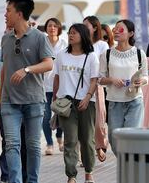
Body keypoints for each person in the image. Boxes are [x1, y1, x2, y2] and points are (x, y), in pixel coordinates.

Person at [1, 0, 53, 183]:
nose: (5, 14)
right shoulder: (5, 38)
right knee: (12, 144)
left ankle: (32, 181)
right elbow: (5, 67)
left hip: (33, 100)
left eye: (8, 10)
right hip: (9, 101)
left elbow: (48, 64)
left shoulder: (39, 37)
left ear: (20, 14)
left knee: (33, 146)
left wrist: (27, 69)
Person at [53, 23, 99, 183]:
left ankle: (88, 171)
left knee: (87, 139)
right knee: (70, 140)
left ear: (83, 36)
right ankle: (71, 175)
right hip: (66, 103)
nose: (70, 35)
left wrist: (87, 97)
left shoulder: (91, 56)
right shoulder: (61, 55)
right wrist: (55, 99)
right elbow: (57, 78)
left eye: (74, 33)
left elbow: (94, 80)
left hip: (87, 102)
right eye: (69, 33)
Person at [99, 19, 148, 154]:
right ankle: (124, 162)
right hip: (114, 101)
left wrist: (141, 81)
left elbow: (145, 76)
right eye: (114, 28)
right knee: (115, 140)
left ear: (131, 33)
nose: (115, 31)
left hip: (135, 100)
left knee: (132, 137)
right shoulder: (107, 54)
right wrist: (111, 80)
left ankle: (130, 167)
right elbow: (99, 79)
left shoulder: (139, 53)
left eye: (120, 29)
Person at [0, 30, 28, 183]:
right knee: (8, 143)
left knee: (24, 144)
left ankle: (24, 177)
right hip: (6, 103)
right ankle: (7, 177)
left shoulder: (28, 50)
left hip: (26, 103)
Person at [83, 16, 108, 163]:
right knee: (83, 121)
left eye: (87, 26)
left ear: (95, 28)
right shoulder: (80, 44)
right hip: (80, 86)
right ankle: (84, 153)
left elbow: (103, 67)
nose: (84, 28)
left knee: (99, 120)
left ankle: (100, 145)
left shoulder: (102, 45)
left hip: (97, 85)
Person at [42, 17, 67, 155]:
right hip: (44, 86)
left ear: (58, 28)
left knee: (61, 114)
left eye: (55, 26)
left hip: (61, 86)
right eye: (49, 25)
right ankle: (49, 143)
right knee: (45, 116)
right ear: (46, 28)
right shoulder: (41, 42)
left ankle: (59, 137)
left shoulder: (64, 44)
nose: (52, 28)